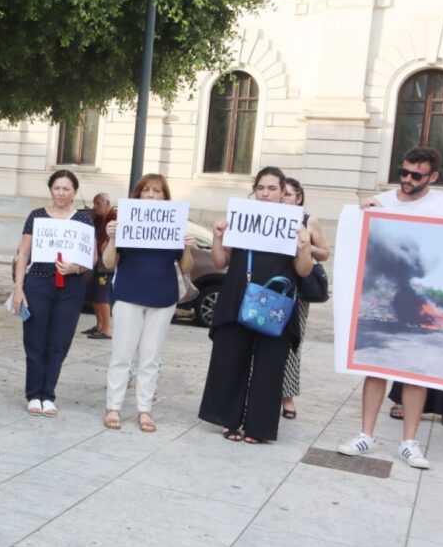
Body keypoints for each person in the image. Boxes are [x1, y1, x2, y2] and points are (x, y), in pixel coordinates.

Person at [338, 146, 443, 469]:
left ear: (433, 177)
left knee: (416, 372)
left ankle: (409, 443)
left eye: (416, 175)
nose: (407, 180)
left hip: (424, 298)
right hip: (381, 299)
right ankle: (365, 435)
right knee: (374, 367)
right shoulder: (382, 201)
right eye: (404, 172)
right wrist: (362, 214)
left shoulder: (441, 205)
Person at [198, 166, 313, 443]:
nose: (265, 193)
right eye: (261, 187)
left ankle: (259, 428)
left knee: (269, 367)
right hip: (238, 297)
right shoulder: (240, 219)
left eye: (272, 188)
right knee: (231, 361)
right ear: (254, 190)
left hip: (277, 304)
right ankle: (230, 420)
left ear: (283, 192)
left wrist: (305, 246)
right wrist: (216, 236)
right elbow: (219, 262)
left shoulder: (294, 225)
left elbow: (304, 270)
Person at [102, 174, 194, 432]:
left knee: (151, 357)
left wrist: (187, 247)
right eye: (147, 190)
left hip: (162, 298)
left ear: (165, 197)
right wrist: (112, 238)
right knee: (122, 354)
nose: (152, 195)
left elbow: (186, 267)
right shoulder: (125, 221)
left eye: (158, 191)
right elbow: (109, 263)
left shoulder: (174, 224)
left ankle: (144, 410)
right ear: (138, 194)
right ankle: (114, 406)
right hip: (129, 295)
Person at [12, 169, 95, 417]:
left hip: (71, 288)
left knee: (59, 342)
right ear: (51, 190)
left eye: (66, 189)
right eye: (57, 188)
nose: (61, 193)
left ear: (74, 193)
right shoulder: (37, 216)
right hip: (38, 284)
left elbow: (92, 257)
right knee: (35, 341)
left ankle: (48, 394)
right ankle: (33, 394)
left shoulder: (83, 220)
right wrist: (18, 287)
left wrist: (75, 267)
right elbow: (23, 254)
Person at [279, 177, 331, 419]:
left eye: (288, 194)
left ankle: (286, 396)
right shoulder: (267, 217)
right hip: (270, 286)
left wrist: (306, 245)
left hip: (298, 290)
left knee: (292, 342)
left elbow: (325, 252)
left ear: (298, 197)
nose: (283, 198)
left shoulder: (309, 221)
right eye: (281, 194)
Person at [84, 192, 116, 339]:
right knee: (95, 296)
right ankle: (99, 325)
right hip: (97, 262)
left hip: (106, 264)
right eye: (94, 203)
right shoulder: (98, 218)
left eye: (98, 204)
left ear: (107, 203)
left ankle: (107, 329)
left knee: (103, 297)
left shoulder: (114, 219)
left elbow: (105, 245)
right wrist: (92, 212)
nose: (95, 207)